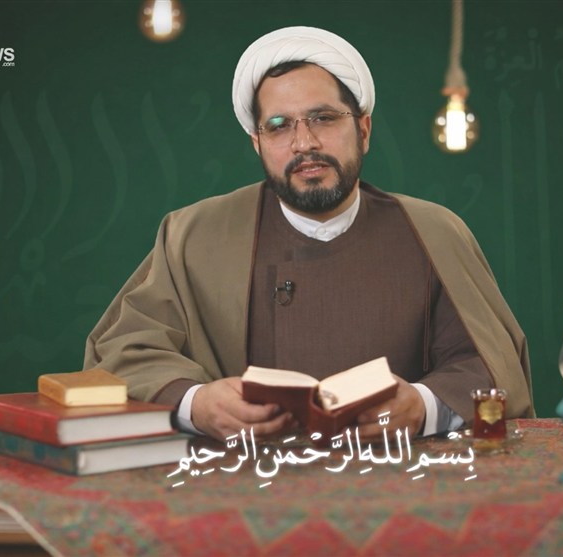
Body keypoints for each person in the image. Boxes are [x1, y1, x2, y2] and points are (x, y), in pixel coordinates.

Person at [84, 26, 533, 442]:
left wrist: (422, 406)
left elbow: (488, 363)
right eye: (279, 126)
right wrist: (197, 404)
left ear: (363, 129)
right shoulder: (193, 235)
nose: (304, 143)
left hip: (400, 479)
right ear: (258, 143)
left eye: (323, 118)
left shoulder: (435, 232)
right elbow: (123, 350)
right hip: (237, 483)